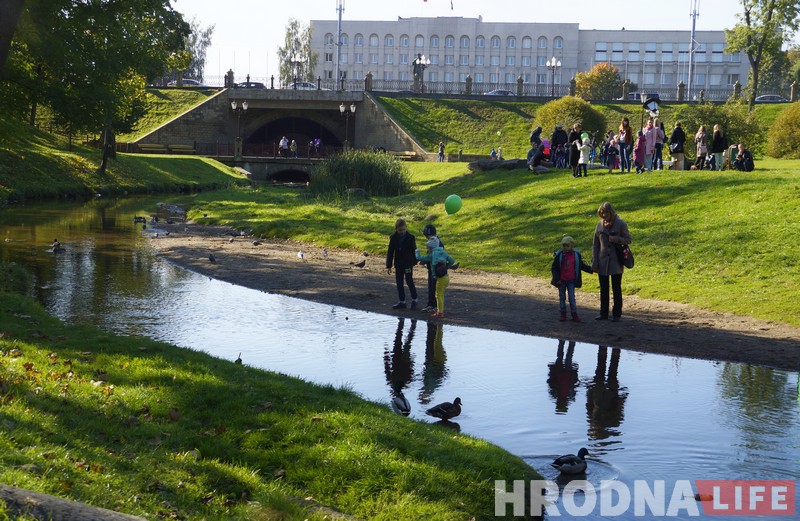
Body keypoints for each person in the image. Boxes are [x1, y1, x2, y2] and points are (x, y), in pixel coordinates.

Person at [592, 202, 632, 322]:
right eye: (602, 213)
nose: (604, 215)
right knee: (603, 289)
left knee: (616, 288)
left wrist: (615, 239)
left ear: (611, 212)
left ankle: (616, 314)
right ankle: (603, 313)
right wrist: (595, 260)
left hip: (616, 261)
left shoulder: (621, 224)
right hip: (602, 261)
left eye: (606, 213)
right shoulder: (599, 225)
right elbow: (595, 245)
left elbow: (628, 240)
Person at [551, 236, 593, 322]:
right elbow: (554, 267)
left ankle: (574, 313)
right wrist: (557, 278)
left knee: (571, 297)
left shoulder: (576, 255)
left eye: (567, 246)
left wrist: (591, 269)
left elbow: (580, 265)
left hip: (571, 280)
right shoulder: (559, 255)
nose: (565, 248)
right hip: (561, 280)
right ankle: (563, 313)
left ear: (572, 246)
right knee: (562, 297)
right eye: (564, 246)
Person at [416, 236, 457, 319]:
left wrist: (417, 251)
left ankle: (440, 312)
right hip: (446, 277)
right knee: (440, 294)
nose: (428, 249)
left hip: (439, 279)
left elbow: (419, 258)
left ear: (430, 248)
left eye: (428, 248)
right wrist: (447, 267)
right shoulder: (443, 253)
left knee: (438, 295)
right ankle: (440, 310)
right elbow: (452, 260)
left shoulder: (431, 255)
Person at [386, 218, 419, 310]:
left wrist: (415, 261)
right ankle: (402, 301)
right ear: (396, 229)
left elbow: (414, 250)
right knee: (399, 282)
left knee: (409, 280)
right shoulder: (393, 238)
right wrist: (389, 265)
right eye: (400, 230)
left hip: (408, 263)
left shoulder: (410, 237)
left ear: (406, 228)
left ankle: (414, 299)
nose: (402, 232)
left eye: (404, 230)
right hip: (399, 263)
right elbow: (390, 252)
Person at [419, 224, 443, 312]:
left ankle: (435, 305)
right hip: (431, 269)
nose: (427, 238)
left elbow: (435, 257)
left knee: (435, 288)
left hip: (437, 270)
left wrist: (425, 260)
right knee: (430, 287)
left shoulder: (437, 243)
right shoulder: (431, 242)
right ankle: (430, 304)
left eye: (428, 236)